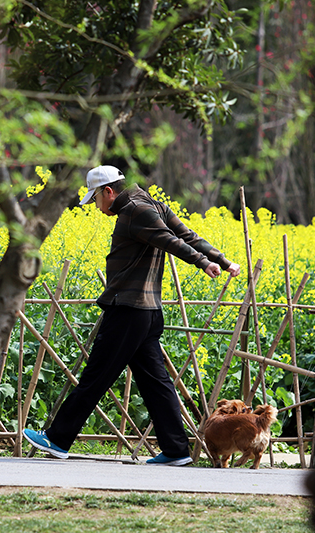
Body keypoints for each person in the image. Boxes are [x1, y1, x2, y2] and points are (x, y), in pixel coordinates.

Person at [23, 165, 241, 466]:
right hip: (148, 311)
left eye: (96, 199)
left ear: (108, 191)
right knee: (155, 381)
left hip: (127, 309)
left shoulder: (135, 211)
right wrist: (221, 259)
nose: (97, 207)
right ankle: (176, 450)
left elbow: (173, 241)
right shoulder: (152, 204)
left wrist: (205, 263)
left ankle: (58, 439)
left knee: (95, 376)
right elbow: (185, 233)